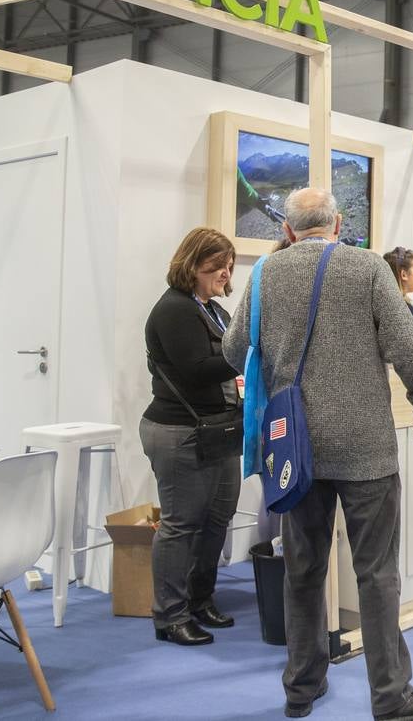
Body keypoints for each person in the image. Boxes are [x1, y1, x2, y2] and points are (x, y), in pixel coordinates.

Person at [223, 189, 413, 721]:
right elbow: (407, 344)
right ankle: (391, 696)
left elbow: (234, 350)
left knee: (302, 569)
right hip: (366, 446)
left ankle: (301, 687)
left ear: (287, 230)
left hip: (294, 447)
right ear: (339, 224)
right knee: (377, 573)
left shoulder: (264, 274)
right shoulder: (367, 268)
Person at [140, 227, 243, 647]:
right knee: (181, 525)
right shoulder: (174, 310)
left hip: (219, 430)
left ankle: (200, 600)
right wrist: (248, 352)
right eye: (217, 265)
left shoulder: (214, 310)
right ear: (192, 264)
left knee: (217, 518)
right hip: (179, 431)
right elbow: (197, 370)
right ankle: (170, 615)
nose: (226, 272)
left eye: (229, 265)